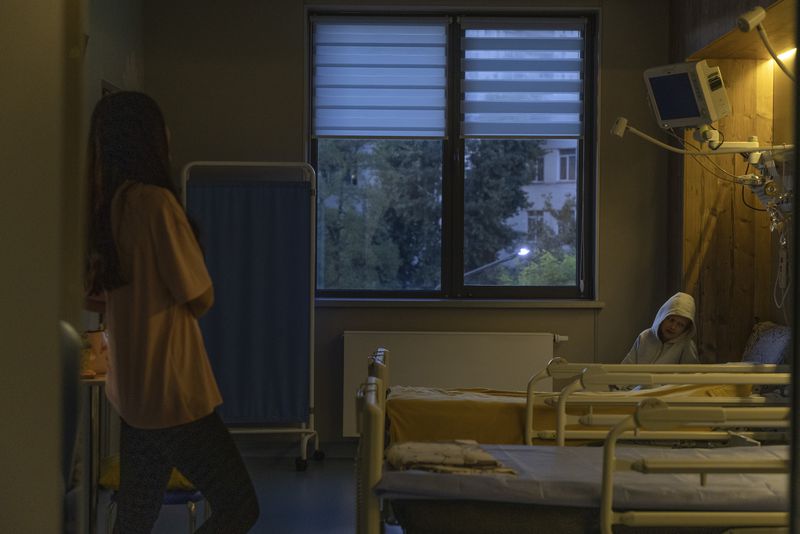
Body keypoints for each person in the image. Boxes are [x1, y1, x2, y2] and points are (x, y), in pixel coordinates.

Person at [85, 91, 259, 533]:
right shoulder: (157, 205)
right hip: (174, 393)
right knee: (239, 506)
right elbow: (199, 294)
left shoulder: (110, 209)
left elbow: (94, 295)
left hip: (133, 394)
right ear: (149, 140)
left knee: (134, 519)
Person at [621, 292, 700, 365]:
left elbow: (692, 375)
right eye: (671, 320)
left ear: (686, 329)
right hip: (640, 380)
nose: (673, 327)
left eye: (680, 325)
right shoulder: (644, 337)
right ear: (662, 317)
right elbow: (626, 367)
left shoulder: (686, 346)